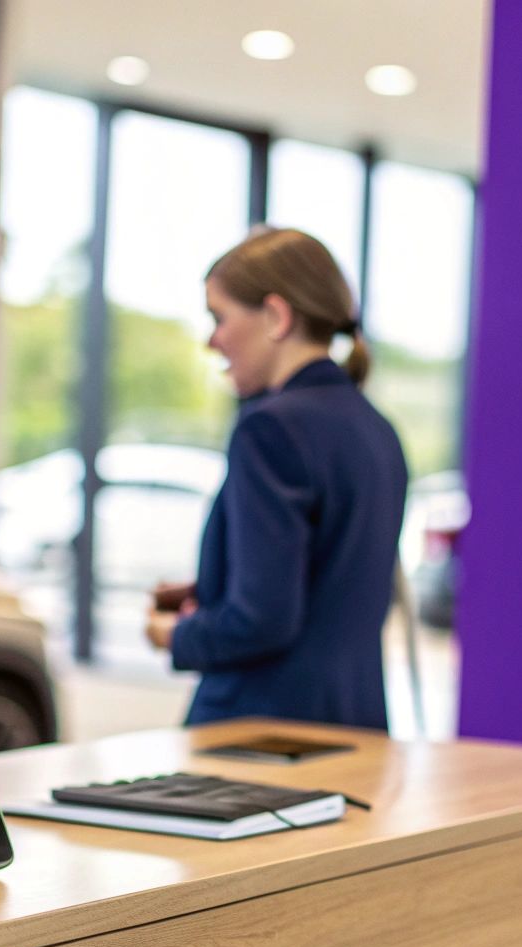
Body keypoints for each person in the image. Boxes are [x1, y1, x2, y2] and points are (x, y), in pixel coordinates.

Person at [146, 227, 408, 730]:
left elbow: (262, 621)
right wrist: (214, 585)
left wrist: (169, 635)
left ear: (276, 316)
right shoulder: (377, 428)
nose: (211, 340)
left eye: (219, 317)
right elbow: (334, 581)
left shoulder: (269, 428)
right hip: (357, 725)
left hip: (262, 737)